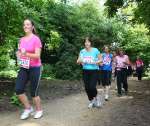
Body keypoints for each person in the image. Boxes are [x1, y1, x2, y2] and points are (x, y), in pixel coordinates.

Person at [15, 19, 43, 120]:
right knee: (18, 89)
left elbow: (37, 55)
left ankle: (39, 110)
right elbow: (19, 52)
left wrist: (25, 53)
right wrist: (19, 56)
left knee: (34, 92)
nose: (25, 26)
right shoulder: (21, 40)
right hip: (24, 67)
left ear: (32, 27)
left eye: (28, 24)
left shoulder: (36, 39)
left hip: (35, 68)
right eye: (24, 25)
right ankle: (28, 108)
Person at [77, 37, 102, 108]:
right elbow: (78, 61)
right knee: (87, 88)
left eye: (88, 42)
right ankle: (91, 101)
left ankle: (97, 98)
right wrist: (81, 61)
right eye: (85, 42)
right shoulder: (82, 51)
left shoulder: (95, 50)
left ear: (91, 43)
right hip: (85, 71)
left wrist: (94, 62)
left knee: (92, 87)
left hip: (94, 71)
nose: (86, 43)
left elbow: (101, 60)